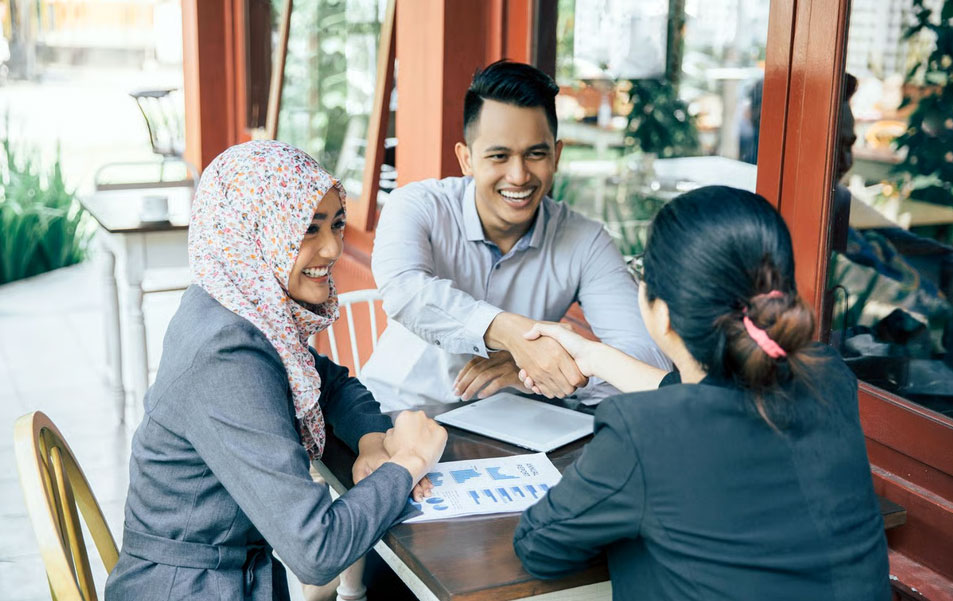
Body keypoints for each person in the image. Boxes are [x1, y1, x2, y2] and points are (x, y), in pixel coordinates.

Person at [105, 140, 447, 601]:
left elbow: (329, 384)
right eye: (307, 229)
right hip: (190, 588)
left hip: (220, 575)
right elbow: (317, 551)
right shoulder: (227, 353)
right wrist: (411, 461)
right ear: (252, 231)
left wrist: (373, 441)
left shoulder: (234, 305)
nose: (332, 248)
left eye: (337, 224)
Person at [513, 186, 891, 601]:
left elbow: (539, 546)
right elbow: (706, 396)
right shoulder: (828, 376)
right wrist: (593, 356)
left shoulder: (641, 433)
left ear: (662, 312)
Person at [360, 60, 670, 409]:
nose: (519, 175)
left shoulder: (586, 240)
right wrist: (509, 333)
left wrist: (542, 366)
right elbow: (405, 291)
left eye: (536, 154)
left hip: (514, 424)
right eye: (499, 156)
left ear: (557, 156)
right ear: (467, 159)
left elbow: (646, 360)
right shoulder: (418, 205)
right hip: (396, 411)